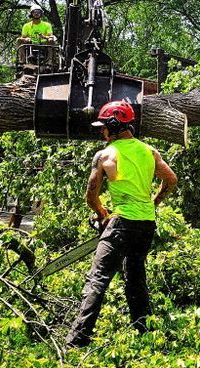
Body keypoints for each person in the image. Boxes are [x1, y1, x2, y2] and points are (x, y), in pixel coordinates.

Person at [65, 100, 178, 348]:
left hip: (122, 223)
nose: (101, 132)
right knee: (135, 277)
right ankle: (144, 330)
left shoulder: (106, 155)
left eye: (104, 127)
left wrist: (102, 212)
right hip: (146, 223)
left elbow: (91, 196)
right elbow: (171, 180)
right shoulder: (150, 151)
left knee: (98, 278)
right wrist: (153, 203)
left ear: (114, 126)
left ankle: (77, 339)